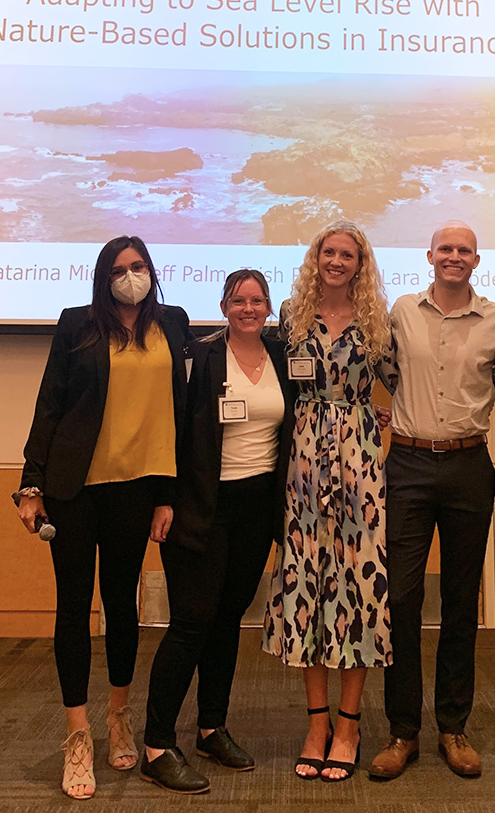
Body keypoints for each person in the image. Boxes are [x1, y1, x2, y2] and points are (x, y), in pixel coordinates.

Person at [16, 235, 190, 800]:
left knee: (121, 603)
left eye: (138, 266)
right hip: (74, 487)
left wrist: (168, 495)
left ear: (151, 271)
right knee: (74, 606)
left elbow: (179, 413)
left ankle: (118, 715)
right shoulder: (77, 324)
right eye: (119, 269)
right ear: (103, 276)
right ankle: (77, 734)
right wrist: (31, 484)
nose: (130, 276)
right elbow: (50, 402)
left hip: (137, 488)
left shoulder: (173, 323)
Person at [139, 270, 296, 793]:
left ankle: (212, 727)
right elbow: (170, 426)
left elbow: (308, 414)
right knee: (191, 623)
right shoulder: (200, 357)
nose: (248, 308)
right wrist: (164, 497)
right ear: (224, 305)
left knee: (228, 618)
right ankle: (157, 743)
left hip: (257, 509)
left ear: (268, 307)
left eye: (257, 300)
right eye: (238, 300)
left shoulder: (281, 356)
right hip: (201, 506)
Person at [370, 220, 495, 781]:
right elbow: (376, 368)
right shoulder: (401, 311)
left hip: (469, 466)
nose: (454, 256)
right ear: (429, 256)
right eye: (445, 248)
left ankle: (454, 726)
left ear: (477, 260)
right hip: (406, 464)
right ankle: (402, 730)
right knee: (400, 599)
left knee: (458, 601)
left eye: (465, 250)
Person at [262, 220, 393, 782]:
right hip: (302, 465)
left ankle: (348, 724)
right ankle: (316, 725)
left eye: (348, 255)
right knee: (307, 584)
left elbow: (402, 383)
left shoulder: (376, 323)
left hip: (361, 464)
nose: (337, 261)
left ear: (361, 265)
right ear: (315, 258)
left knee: (359, 586)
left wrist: (382, 424)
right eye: (328, 252)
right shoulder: (290, 319)